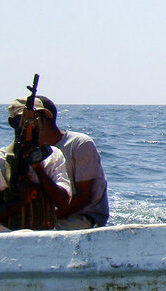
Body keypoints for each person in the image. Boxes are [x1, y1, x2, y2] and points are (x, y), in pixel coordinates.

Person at [0, 96, 73, 232]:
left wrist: (38, 169)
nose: (34, 124)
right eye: (27, 120)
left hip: (45, 241)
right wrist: (18, 201)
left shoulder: (53, 157)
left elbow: (63, 202)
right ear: (13, 122)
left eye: (38, 118)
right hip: (6, 242)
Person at [31, 96, 109, 229]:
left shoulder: (80, 144)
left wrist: (46, 220)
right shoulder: (31, 150)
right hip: (48, 216)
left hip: (83, 216)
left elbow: (84, 197)